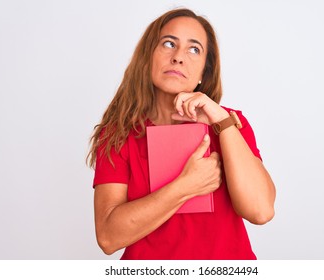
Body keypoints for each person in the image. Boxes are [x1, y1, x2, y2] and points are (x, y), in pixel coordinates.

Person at [87, 8, 276, 260]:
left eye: (194, 49)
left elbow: (261, 211)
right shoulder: (119, 134)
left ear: (203, 73)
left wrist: (221, 121)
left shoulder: (230, 123)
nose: (178, 57)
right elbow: (109, 237)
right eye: (168, 43)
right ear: (148, 57)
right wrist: (186, 186)